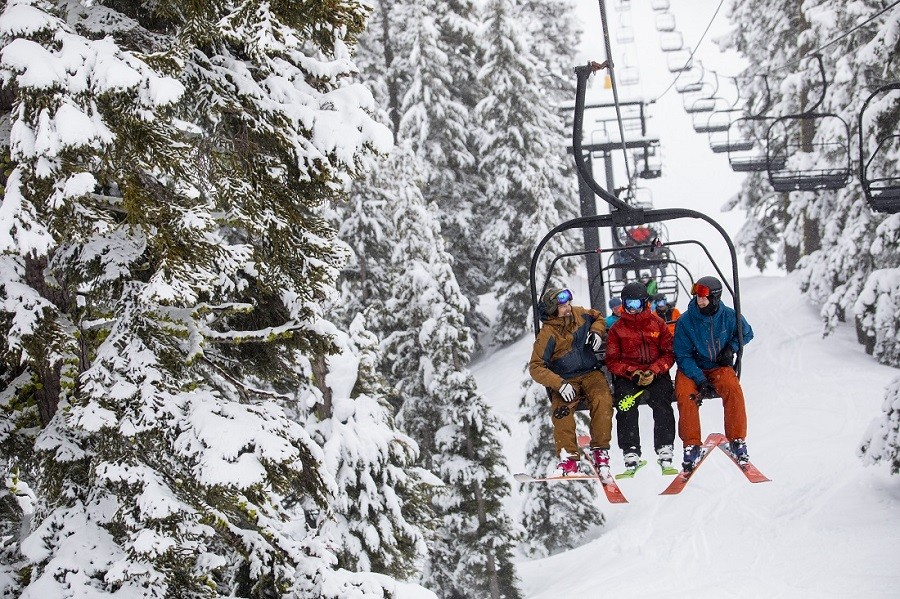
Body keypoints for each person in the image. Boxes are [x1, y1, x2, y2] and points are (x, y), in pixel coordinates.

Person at [529, 287, 615, 477]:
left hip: (591, 372)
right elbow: (536, 366)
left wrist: (596, 332)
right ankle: (569, 457)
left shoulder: (580, 315)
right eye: (562, 306)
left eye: (568, 303)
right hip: (566, 378)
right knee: (562, 411)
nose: (567, 307)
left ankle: (601, 449)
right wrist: (559, 384)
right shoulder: (548, 334)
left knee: (603, 400)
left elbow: (599, 317)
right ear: (552, 309)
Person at [673, 276, 754, 471]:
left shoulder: (728, 316)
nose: (699, 301)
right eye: (698, 297)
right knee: (686, 394)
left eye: (704, 297)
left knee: (732, 388)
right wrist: (699, 379)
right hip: (692, 368)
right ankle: (691, 445)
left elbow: (747, 333)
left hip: (718, 366)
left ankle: (737, 440)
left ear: (715, 298)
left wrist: (731, 348)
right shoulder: (686, 320)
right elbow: (682, 355)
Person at [605, 282, 677, 474]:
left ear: (645, 303)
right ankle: (630, 449)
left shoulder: (658, 324)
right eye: (628, 304)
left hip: (656, 374)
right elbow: (612, 360)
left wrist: (654, 370)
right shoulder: (617, 329)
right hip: (629, 376)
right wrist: (631, 372)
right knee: (625, 404)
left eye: (636, 304)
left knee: (662, 400)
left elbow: (669, 353)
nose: (632, 309)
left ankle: (664, 445)